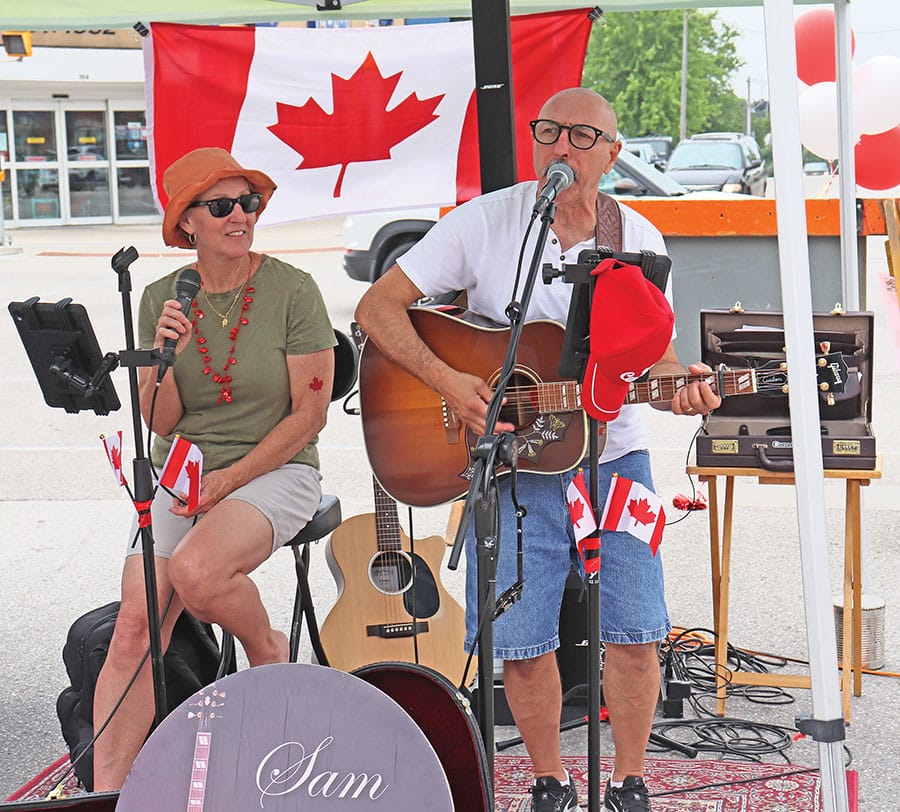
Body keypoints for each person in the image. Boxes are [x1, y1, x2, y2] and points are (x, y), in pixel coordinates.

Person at [354, 88, 720, 812]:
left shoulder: (639, 236)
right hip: (515, 465)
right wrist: (451, 380)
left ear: (613, 155)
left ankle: (628, 781)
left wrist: (685, 382)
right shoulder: (488, 223)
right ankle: (550, 779)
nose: (563, 146)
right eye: (550, 131)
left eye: (583, 136)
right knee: (520, 643)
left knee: (637, 629)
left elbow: (654, 356)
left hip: (616, 456)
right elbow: (376, 308)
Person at [92, 147, 336, 791]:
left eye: (248, 202)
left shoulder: (291, 288)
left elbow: (309, 415)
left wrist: (229, 481)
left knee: (198, 573)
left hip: (277, 469)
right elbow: (161, 422)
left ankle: (269, 654)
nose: (240, 216)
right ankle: (106, 793)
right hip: (187, 471)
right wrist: (163, 355)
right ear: (187, 223)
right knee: (135, 627)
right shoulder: (158, 299)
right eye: (221, 205)